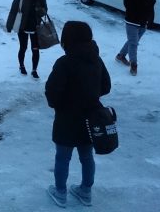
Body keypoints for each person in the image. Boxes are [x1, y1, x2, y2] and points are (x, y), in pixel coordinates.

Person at [45, 21, 111, 207]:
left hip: (67, 119)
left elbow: (52, 93)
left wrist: (59, 103)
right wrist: (91, 94)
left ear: (68, 40)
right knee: (87, 156)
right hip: (91, 118)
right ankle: (86, 191)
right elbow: (106, 86)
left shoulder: (64, 63)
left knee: (63, 157)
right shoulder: (96, 60)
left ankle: (60, 193)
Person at [115, 0, 155, 76]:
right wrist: (141, 6)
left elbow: (152, 4)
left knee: (133, 40)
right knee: (133, 42)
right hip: (132, 19)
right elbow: (127, 4)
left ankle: (121, 55)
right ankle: (134, 64)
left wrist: (150, 18)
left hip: (144, 20)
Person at [6, 0, 47, 78]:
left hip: (36, 28)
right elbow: (13, 11)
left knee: (35, 49)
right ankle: (22, 66)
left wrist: (39, 9)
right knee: (23, 47)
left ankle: (34, 70)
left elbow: (44, 11)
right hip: (22, 27)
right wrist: (9, 25)